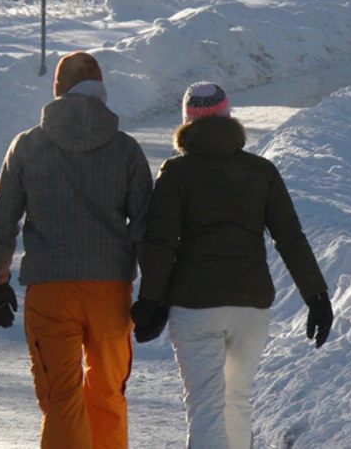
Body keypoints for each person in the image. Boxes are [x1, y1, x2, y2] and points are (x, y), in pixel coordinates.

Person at [131, 81, 334, 449]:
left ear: (187, 122)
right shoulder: (261, 171)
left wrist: (151, 301)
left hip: (194, 307)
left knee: (206, 409)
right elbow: (290, 238)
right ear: (228, 117)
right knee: (237, 402)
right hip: (250, 307)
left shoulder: (176, 173)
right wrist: (316, 296)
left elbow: (161, 243)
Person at [0, 51, 154, 449]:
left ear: (57, 89)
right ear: (101, 90)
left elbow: (3, 219)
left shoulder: (27, 146)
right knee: (108, 395)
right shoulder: (126, 150)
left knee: (61, 400)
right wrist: (153, 293)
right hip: (110, 292)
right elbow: (146, 227)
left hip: (50, 291)